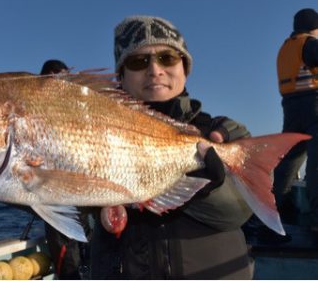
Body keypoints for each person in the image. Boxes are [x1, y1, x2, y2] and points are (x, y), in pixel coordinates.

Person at [89, 15, 254, 279]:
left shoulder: (221, 132)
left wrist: (209, 188)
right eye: (138, 61)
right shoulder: (93, 135)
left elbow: (240, 213)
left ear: (185, 68)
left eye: (167, 58)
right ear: (120, 75)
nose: (155, 70)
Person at [40, 59, 91, 279]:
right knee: (66, 254)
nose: (63, 83)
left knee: (89, 245)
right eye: (56, 77)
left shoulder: (78, 107)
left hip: (84, 191)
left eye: (65, 77)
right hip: (55, 193)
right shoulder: (38, 108)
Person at [273, 8, 318, 230]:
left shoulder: (285, 48)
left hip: (291, 108)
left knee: (290, 159)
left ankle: (278, 207)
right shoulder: (310, 44)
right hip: (314, 104)